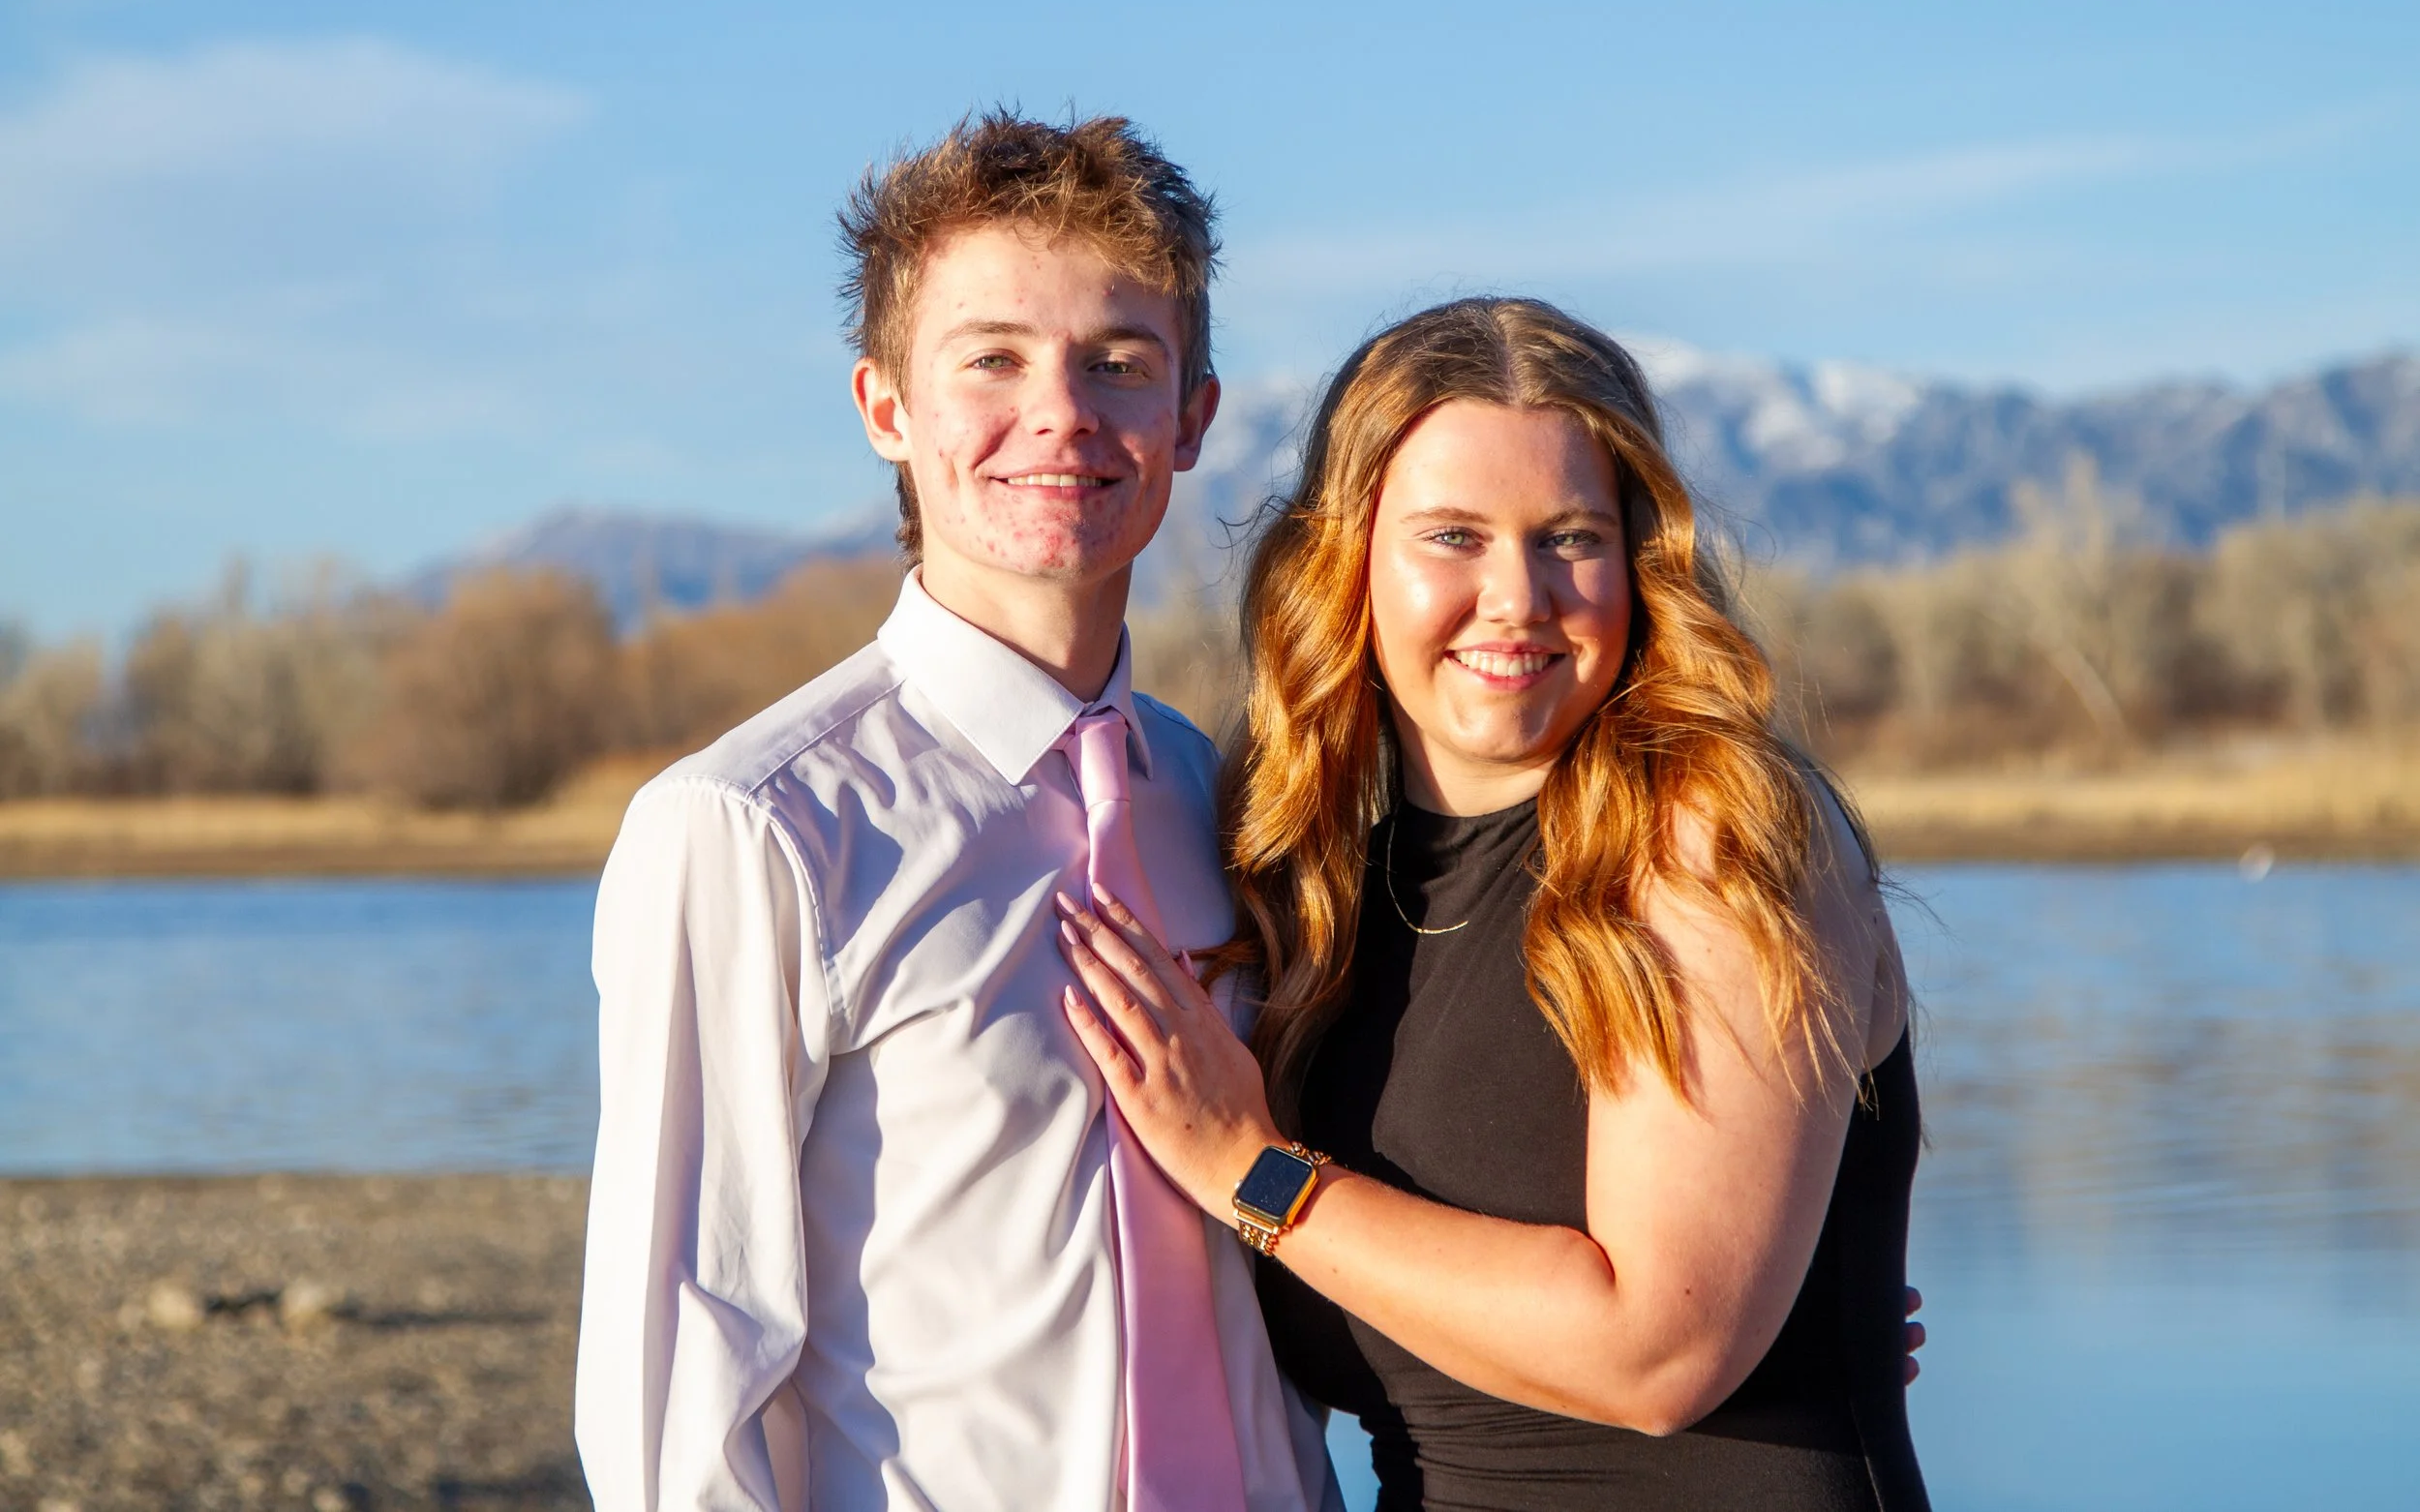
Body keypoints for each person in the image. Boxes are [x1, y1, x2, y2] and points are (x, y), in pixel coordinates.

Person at [573, 111, 1339, 1511]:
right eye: (992, 358)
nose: (1060, 411)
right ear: (886, 407)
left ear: (1192, 417)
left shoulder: (1228, 800)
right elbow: (676, 1378)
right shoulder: (753, 830)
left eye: (1118, 362)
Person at [1056, 297, 1929, 1510]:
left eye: (1568, 536)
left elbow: (1658, 1352)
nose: (1517, 596)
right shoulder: (1322, 887)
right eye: (1453, 536)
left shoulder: (1708, 832)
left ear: (1638, 558)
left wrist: (1250, 1169)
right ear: (1347, 560)